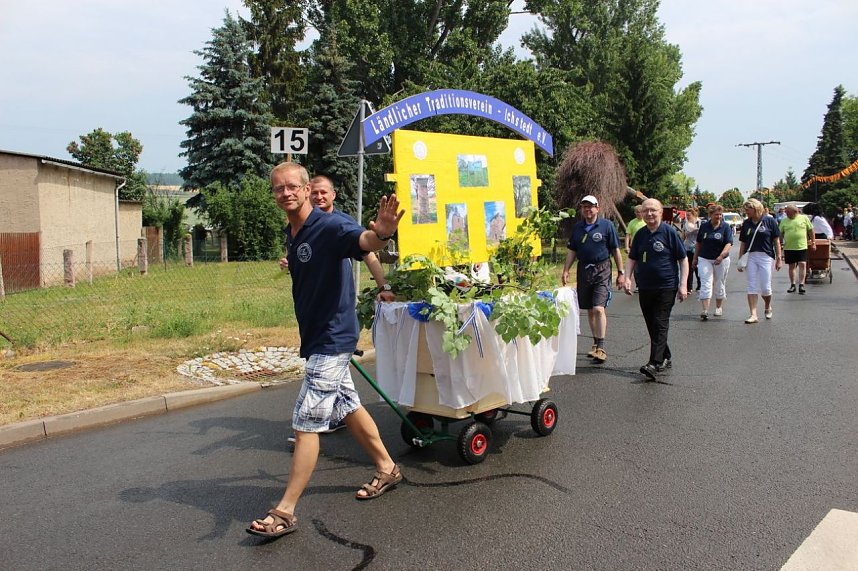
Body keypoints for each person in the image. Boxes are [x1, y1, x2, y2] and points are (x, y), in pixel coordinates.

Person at [248, 162, 405, 539]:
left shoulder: (330, 225)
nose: (285, 193)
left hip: (334, 338)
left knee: (305, 421)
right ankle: (387, 467)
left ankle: (285, 510)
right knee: (347, 405)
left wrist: (382, 234)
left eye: (292, 187)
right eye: (278, 188)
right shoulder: (293, 230)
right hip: (317, 336)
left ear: (306, 190)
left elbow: (365, 243)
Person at [622, 198, 688, 381]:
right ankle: (665, 355)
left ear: (660, 212)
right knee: (652, 323)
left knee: (660, 322)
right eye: (646, 210)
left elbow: (683, 259)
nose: (649, 213)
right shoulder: (640, 234)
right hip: (645, 286)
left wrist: (683, 285)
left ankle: (654, 363)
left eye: (653, 210)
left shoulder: (669, 232)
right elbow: (632, 258)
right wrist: (627, 278)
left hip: (666, 286)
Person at [561, 195, 625, 363]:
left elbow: (615, 250)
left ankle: (601, 347)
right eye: (584, 207)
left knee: (598, 308)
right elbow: (572, 250)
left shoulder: (606, 226)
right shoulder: (578, 228)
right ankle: (596, 343)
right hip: (584, 270)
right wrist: (566, 270)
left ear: (597, 208)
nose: (587, 210)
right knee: (589, 309)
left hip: (602, 269)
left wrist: (621, 272)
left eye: (590, 206)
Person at [736, 198, 782, 324]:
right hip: (751, 256)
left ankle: (767, 306)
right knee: (751, 286)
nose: (746, 212)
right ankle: (753, 314)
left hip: (766, 256)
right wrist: (740, 259)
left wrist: (779, 258)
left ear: (756, 208)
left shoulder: (769, 221)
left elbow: (776, 241)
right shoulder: (746, 223)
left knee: (766, 288)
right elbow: (743, 242)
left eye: (748, 209)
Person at [692, 203, 733, 320]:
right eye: (716, 214)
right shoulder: (704, 226)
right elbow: (698, 243)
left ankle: (718, 307)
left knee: (719, 282)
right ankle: (705, 310)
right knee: (706, 283)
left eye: (720, 214)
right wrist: (695, 258)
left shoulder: (725, 227)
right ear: (710, 215)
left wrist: (721, 255)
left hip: (721, 259)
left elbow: (729, 243)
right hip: (705, 258)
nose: (719, 217)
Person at [779, 204, 816, 294]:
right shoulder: (784, 220)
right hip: (789, 247)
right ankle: (793, 285)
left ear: (795, 212)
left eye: (788, 212)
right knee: (792, 266)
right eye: (786, 212)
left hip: (801, 246)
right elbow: (780, 233)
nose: (786, 213)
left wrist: (813, 242)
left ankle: (801, 285)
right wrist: (780, 243)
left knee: (802, 264)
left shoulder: (804, 218)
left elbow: (811, 230)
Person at [625, 205, 645, 292]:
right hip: (635, 247)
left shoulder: (646, 221)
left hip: (645, 247)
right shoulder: (632, 222)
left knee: (644, 265)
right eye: (636, 212)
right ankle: (638, 284)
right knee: (636, 267)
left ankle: (645, 282)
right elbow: (628, 235)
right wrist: (626, 246)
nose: (638, 214)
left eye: (639, 212)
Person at [682, 209, 701, 291]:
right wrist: (681, 244)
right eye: (686, 215)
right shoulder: (685, 223)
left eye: (689, 215)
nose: (687, 217)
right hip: (687, 247)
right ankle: (689, 287)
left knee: (697, 267)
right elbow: (683, 235)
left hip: (697, 248)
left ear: (694, 215)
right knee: (688, 268)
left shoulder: (699, 223)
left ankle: (700, 285)